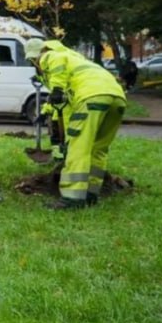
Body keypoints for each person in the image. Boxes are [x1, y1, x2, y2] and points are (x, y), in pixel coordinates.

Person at [24, 38, 127, 209]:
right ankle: (91, 193)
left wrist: (56, 88)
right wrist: (46, 111)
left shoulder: (51, 55)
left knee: (78, 148)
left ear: (35, 57)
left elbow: (57, 66)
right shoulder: (76, 59)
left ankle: (72, 198)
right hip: (117, 98)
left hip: (91, 97)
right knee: (98, 148)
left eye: (33, 61)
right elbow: (67, 104)